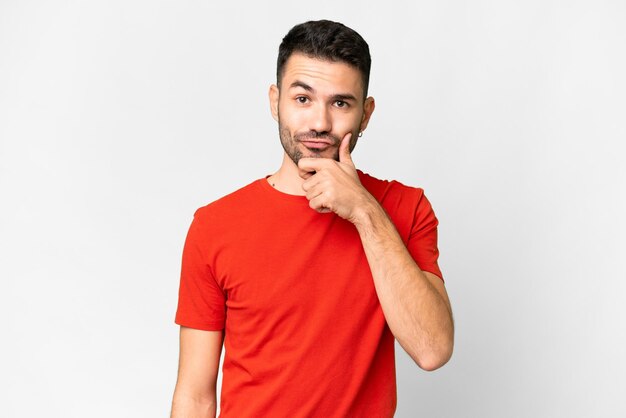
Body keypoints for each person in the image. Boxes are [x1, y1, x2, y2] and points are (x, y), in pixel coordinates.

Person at [170, 19, 454, 418]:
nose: (320, 122)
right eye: (303, 99)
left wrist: (363, 210)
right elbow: (195, 395)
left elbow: (432, 349)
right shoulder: (214, 225)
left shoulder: (404, 208)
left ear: (366, 113)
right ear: (275, 101)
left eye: (340, 102)